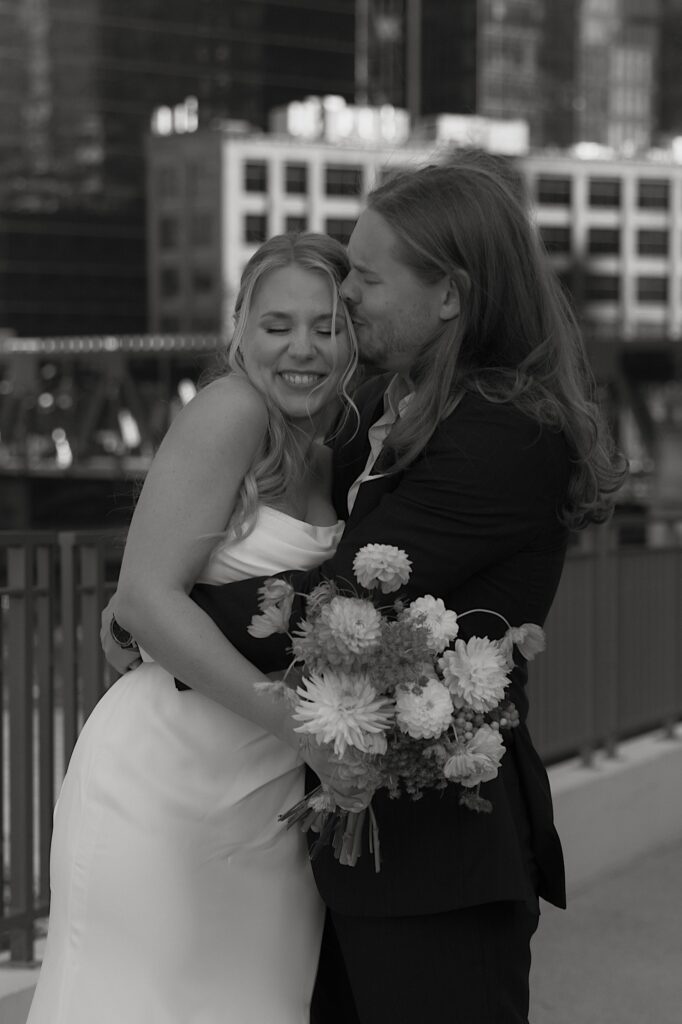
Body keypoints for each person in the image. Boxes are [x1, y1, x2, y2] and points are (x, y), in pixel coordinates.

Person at [104, 155, 626, 1023]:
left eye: (367, 280)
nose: (348, 299)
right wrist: (159, 582)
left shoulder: (505, 435)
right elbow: (289, 532)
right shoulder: (392, 408)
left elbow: (336, 608)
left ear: (450, 295)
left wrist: (158, 605)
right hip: (339, 854)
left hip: (440, 861)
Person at [27, 232, 360, 1024]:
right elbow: (145, 600)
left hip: (269, 798)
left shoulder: (337, 441)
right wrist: (302, 726)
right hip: (163, 784)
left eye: (328, 325)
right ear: (239, 326)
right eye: (278, 324)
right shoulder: (230, 408)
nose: (304, 348)